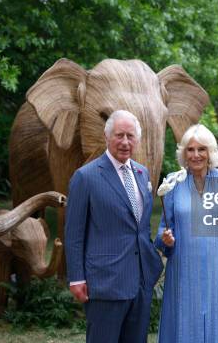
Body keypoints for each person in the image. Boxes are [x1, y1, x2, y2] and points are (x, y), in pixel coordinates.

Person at [65, 109, 164, 343]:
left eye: (131, 136)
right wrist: (76, 278)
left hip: (141, 281)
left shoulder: (142, 173)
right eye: (119, 135)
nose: (125, 142)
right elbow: (73, 234)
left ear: (137, 140)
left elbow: (140, 227)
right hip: (105, 282)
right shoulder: (85, 177)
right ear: (107, 136)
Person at [154, 124, 218, 342]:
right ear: (184, 153)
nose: (196, 155)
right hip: (184, 267)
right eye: (190, 149)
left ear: (210, 152)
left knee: (217, 320)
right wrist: (165, 239)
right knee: (186, 320)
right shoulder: (173, 181)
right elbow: (163, 230)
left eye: (201, 149)